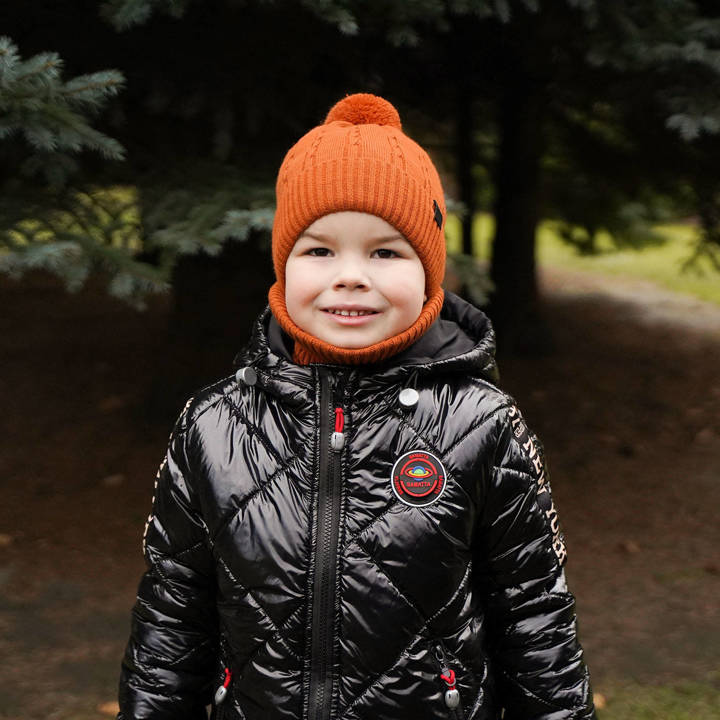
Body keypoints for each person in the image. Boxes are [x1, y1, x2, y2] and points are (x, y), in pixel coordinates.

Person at [118, 93, 595, 720]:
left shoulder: (483, 423)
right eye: (319, 250)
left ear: (428, 272)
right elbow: (172, 619)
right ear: (282, 265)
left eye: (385, 251)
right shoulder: (212, 426)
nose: (350, 275)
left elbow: (536, 619)